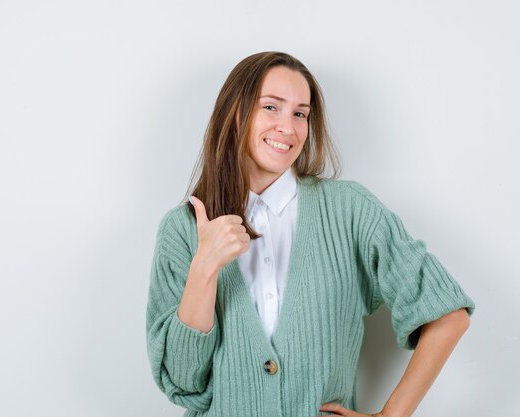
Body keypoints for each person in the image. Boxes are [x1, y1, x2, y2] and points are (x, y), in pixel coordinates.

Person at [145, 51, 475, 417]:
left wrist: (392, 415)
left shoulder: (350, 210)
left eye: (300, 113)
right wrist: (204, 268)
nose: (288, 127)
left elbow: (448, 314)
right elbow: (182, 380)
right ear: (235, 114)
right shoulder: (182, 228)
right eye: (271, 107)